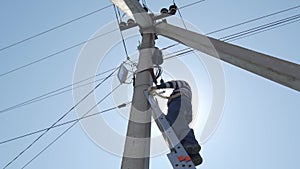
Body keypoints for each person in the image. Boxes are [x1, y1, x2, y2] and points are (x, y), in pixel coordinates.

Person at [148, 80, 203, 166]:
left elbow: (172, 84)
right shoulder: (185, 95)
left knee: (176, 123)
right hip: (183, 106)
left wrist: (157, 87)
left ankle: (192, 144)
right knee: (177, 130)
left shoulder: (183, 84)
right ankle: (193, 155)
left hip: (179, 101)